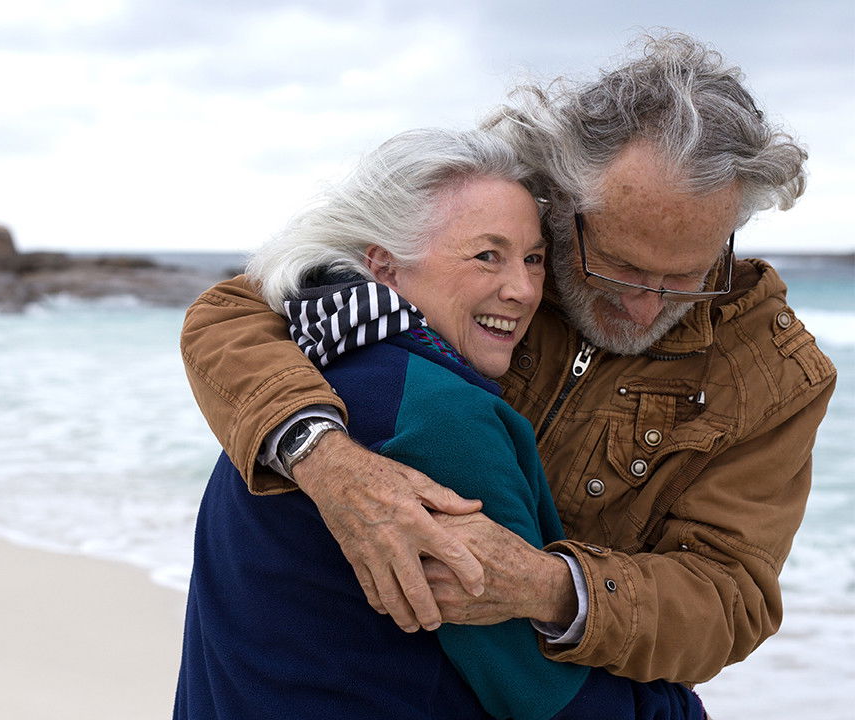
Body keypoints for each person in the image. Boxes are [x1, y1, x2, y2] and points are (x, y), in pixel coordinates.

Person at [178, 32, 836, 685]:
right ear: (563, 202)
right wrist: (326, 460)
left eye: (686, 278)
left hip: (563, 683)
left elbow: (732, 597)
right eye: (620, 267)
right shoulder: (504, 239)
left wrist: (552, 589)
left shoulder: (777, 376)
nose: (644, 307)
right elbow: (234, 313)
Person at [175, 128, 704, 719]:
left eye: (533, 259)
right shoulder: (437, 417)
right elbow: (544, 699)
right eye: (487, 256)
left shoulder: (299, 377)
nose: (523, 289)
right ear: (385, 266)